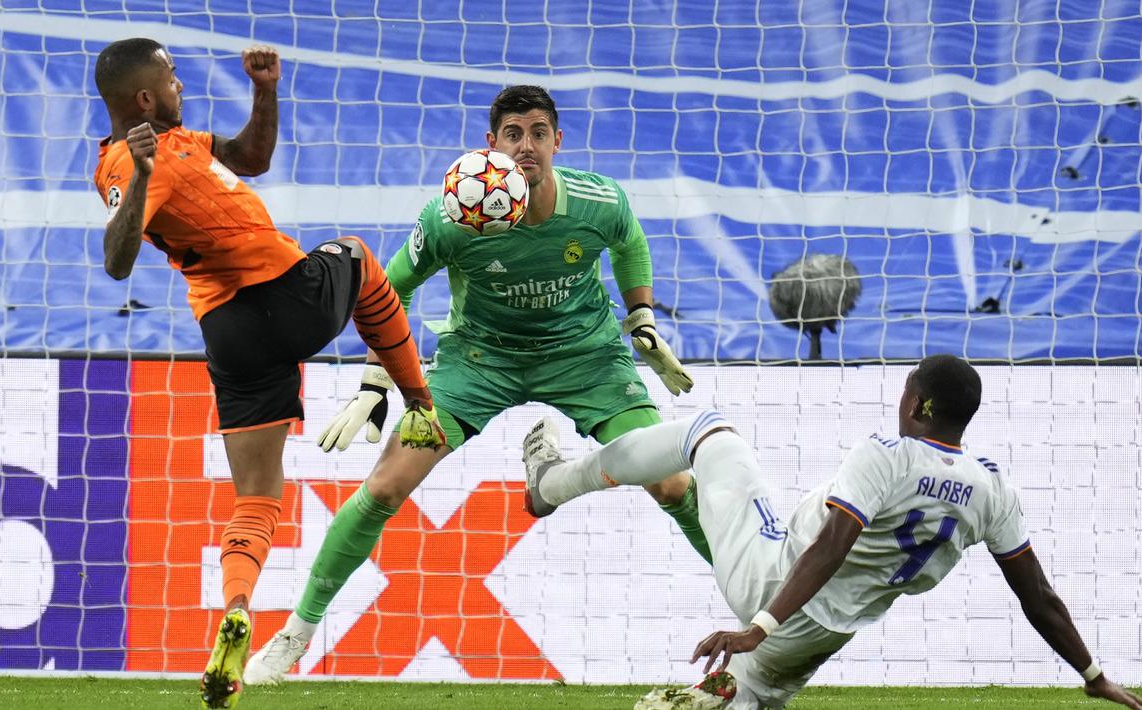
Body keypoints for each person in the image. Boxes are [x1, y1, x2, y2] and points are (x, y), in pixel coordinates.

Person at [243, 84, 708, 683]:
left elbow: (630, 241)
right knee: (385, 487)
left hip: (585, 357)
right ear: (491, 145)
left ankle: (764, 619)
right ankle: (295, 633)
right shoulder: (453, 215)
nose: (526, 146)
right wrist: (376, 376)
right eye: (512, 135)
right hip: (477, 361)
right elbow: (390, 287)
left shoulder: (598, 201)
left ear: (557, 141)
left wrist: (640, 314)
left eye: (538, 133)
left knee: (673, 484)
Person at [91, 38, 444, 708]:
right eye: (170, 77)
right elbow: (116, 260)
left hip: (231, 335)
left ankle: (238, 610)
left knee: (255, 498)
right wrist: (138, 175)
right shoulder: (123, 160)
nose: (180, 84)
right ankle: (420, 404)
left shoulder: (183, 142)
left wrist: (265, 89)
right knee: (361, 257)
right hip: (283, 294)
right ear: (143, 97)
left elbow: (252, 157)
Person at [520, 354, 1141, 709]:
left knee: (708, 431)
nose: (900, 402)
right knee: (742, 695)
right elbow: (1040, 598)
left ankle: (551, 482)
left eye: (906, 392)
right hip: (828, 635)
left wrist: (757, 624)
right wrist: (1092, 675)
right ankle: (725, 695)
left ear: (921, 406)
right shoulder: (993, 490)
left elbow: (831, 545)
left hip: (775, 584)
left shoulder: (890, 453)